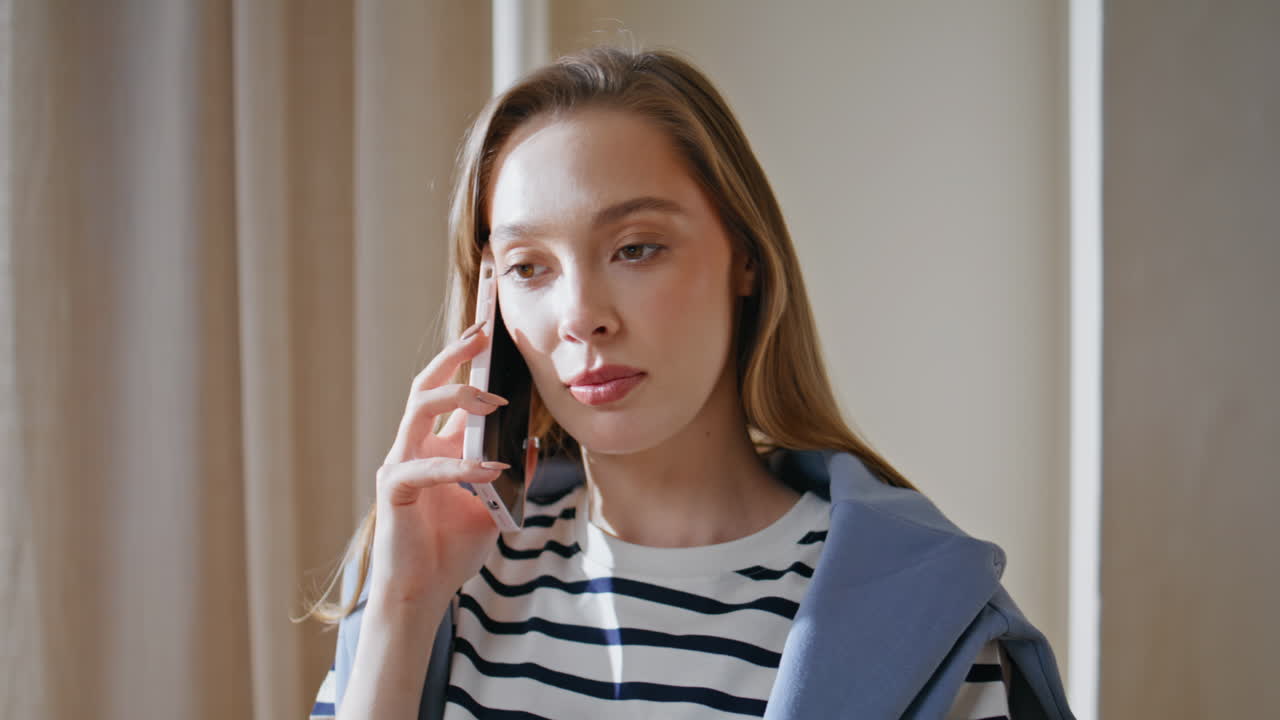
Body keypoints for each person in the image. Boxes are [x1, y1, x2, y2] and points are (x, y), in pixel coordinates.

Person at [304, 47, 1073, 719]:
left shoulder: (921, 625)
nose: (581, 317)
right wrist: (402, 609)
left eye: (636, 248)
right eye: (528, 267)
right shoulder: (444, 584)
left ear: (745, 257)